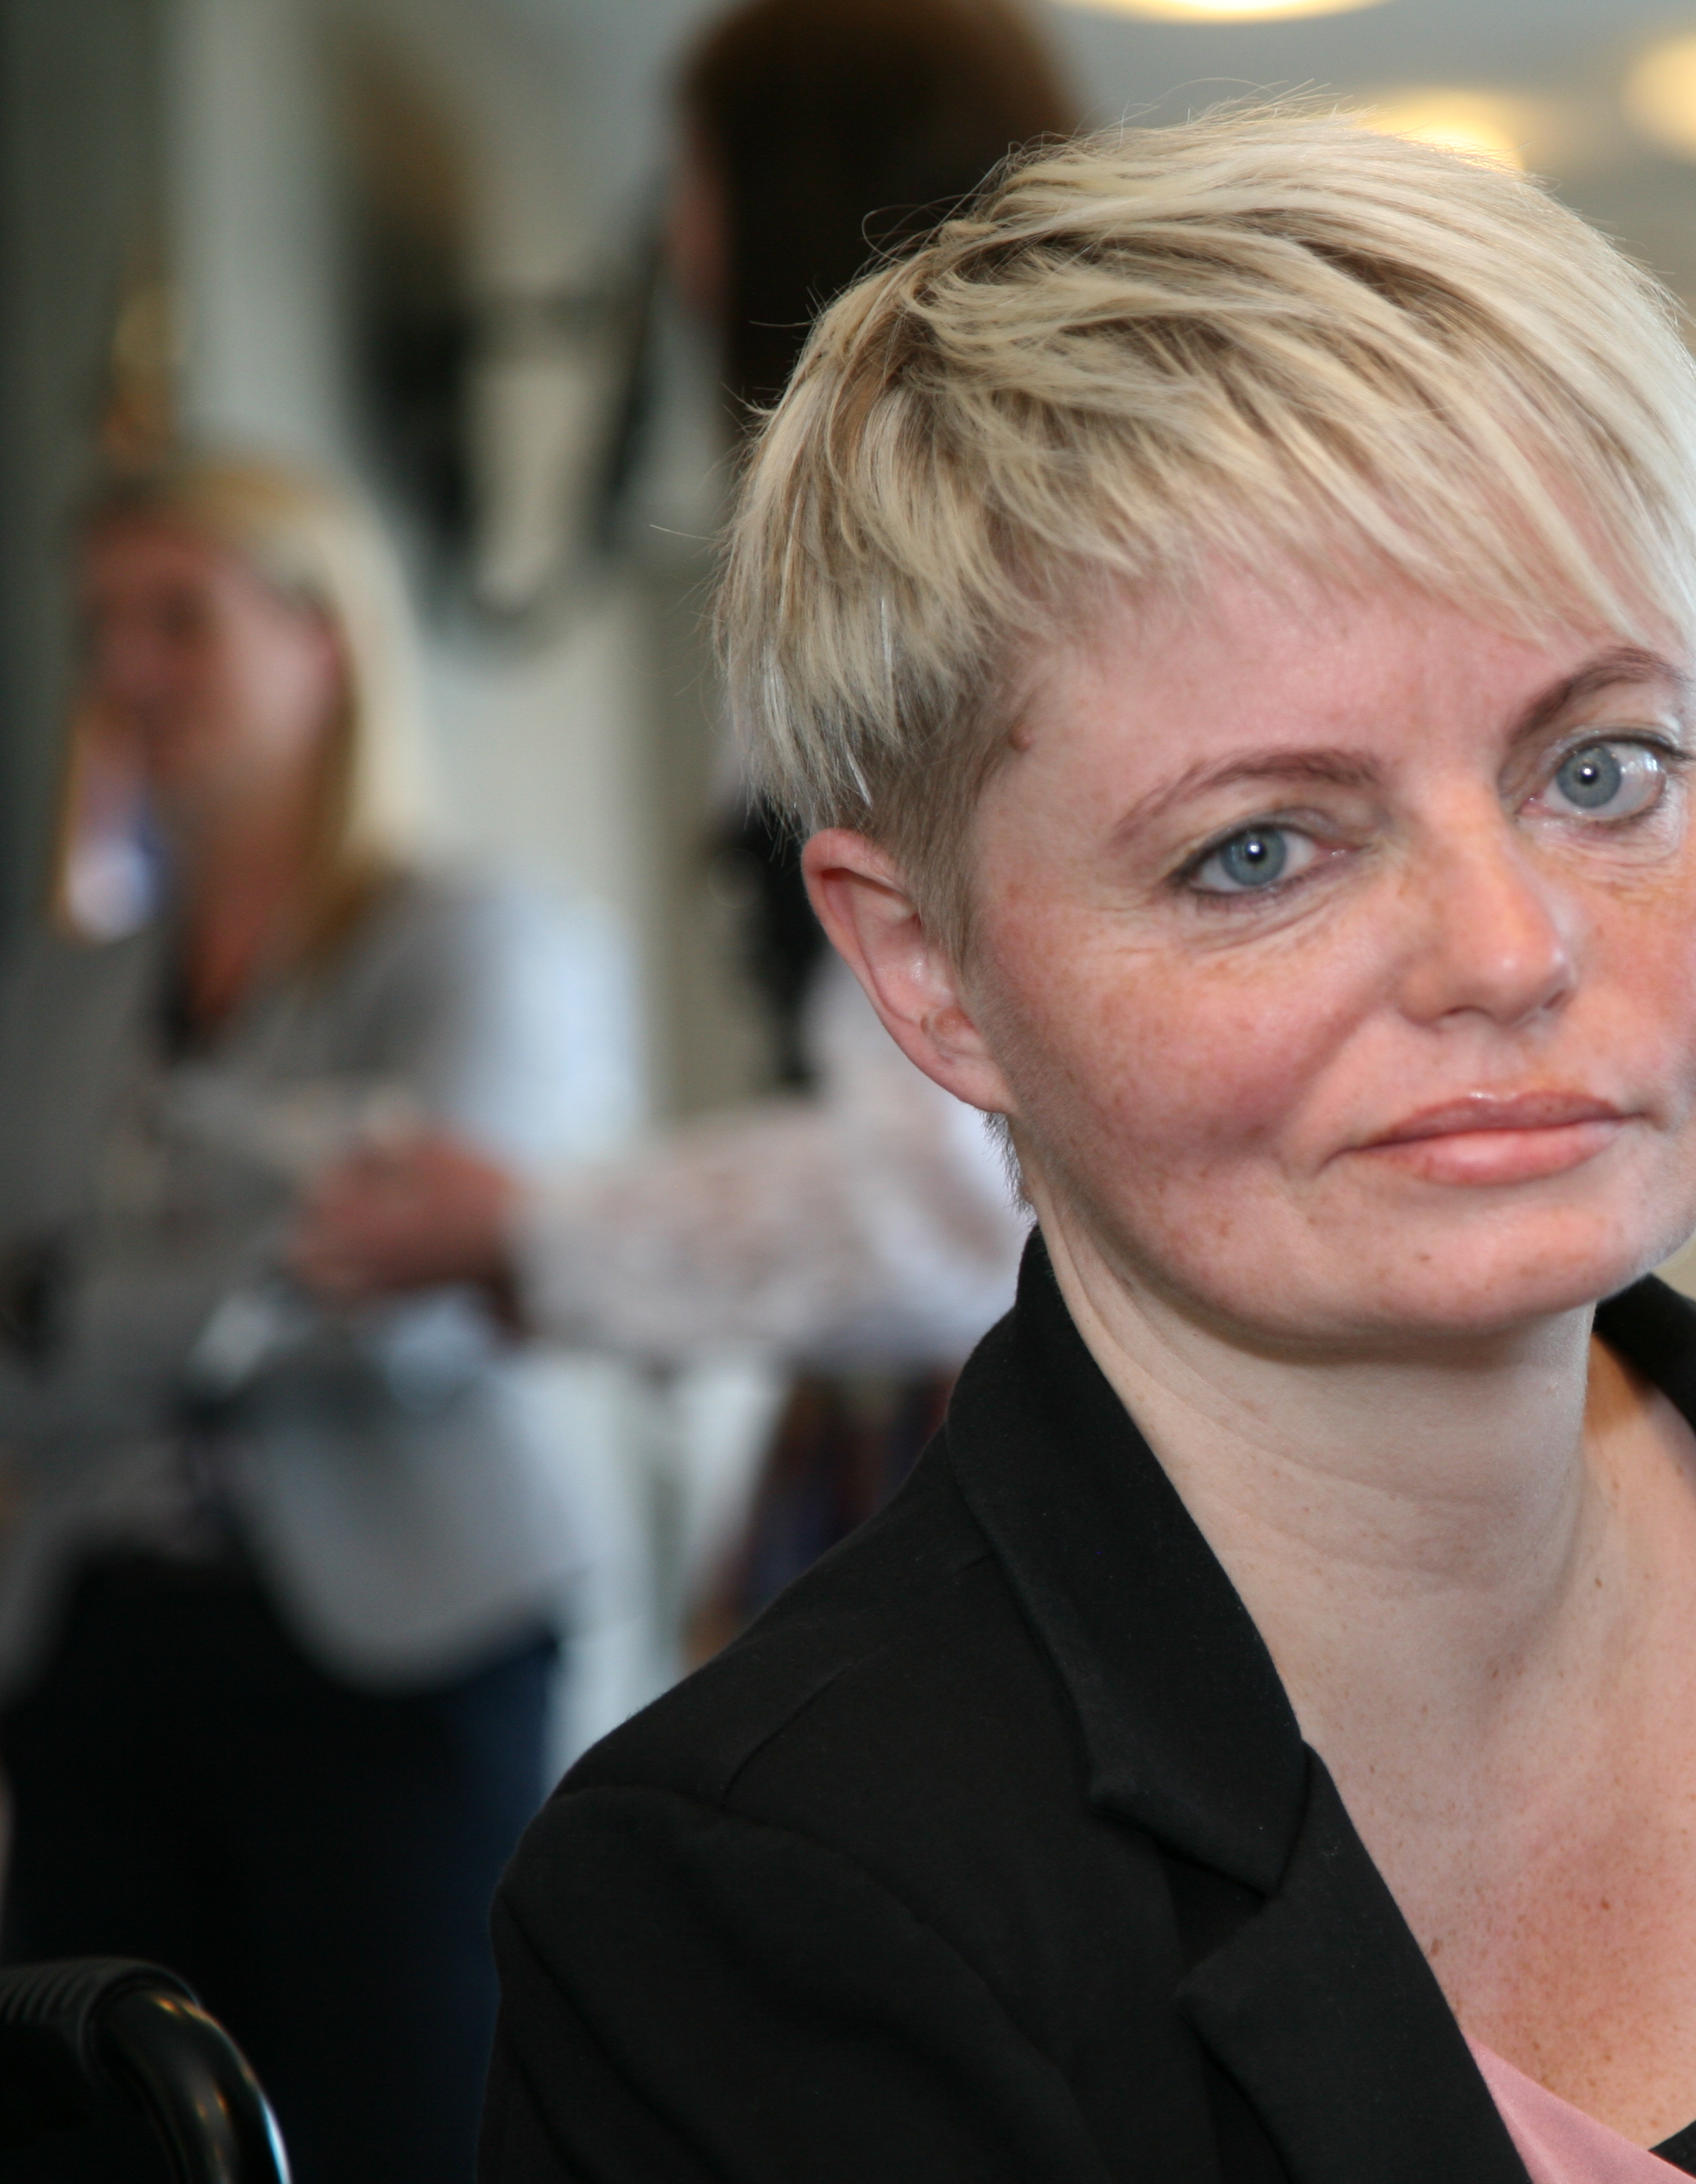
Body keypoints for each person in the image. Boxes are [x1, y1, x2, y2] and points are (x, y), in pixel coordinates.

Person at [481, 113, 1696, 2184]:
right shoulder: (760, 1906)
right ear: (928, 971)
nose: (1510, 948)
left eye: (1603, 768)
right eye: (1260, 851)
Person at [296, 0, 1065, 1624]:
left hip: (1008, 1417)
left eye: (700, 182)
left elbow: (954, 1195)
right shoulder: (979, 563)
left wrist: (534, 1230)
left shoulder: (924, 593)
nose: (681, 245)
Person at [0, 453, 637, 2184]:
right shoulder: (54, 989)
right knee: (97, 2135)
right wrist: (252, 1247)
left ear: (324, 637)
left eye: (177, 618)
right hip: (89, 1647)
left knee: (408, 2129)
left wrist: (72, 1295)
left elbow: (420, 1300)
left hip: (398, 1647)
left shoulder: (478, 938)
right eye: (100, 627)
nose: (126, 670)